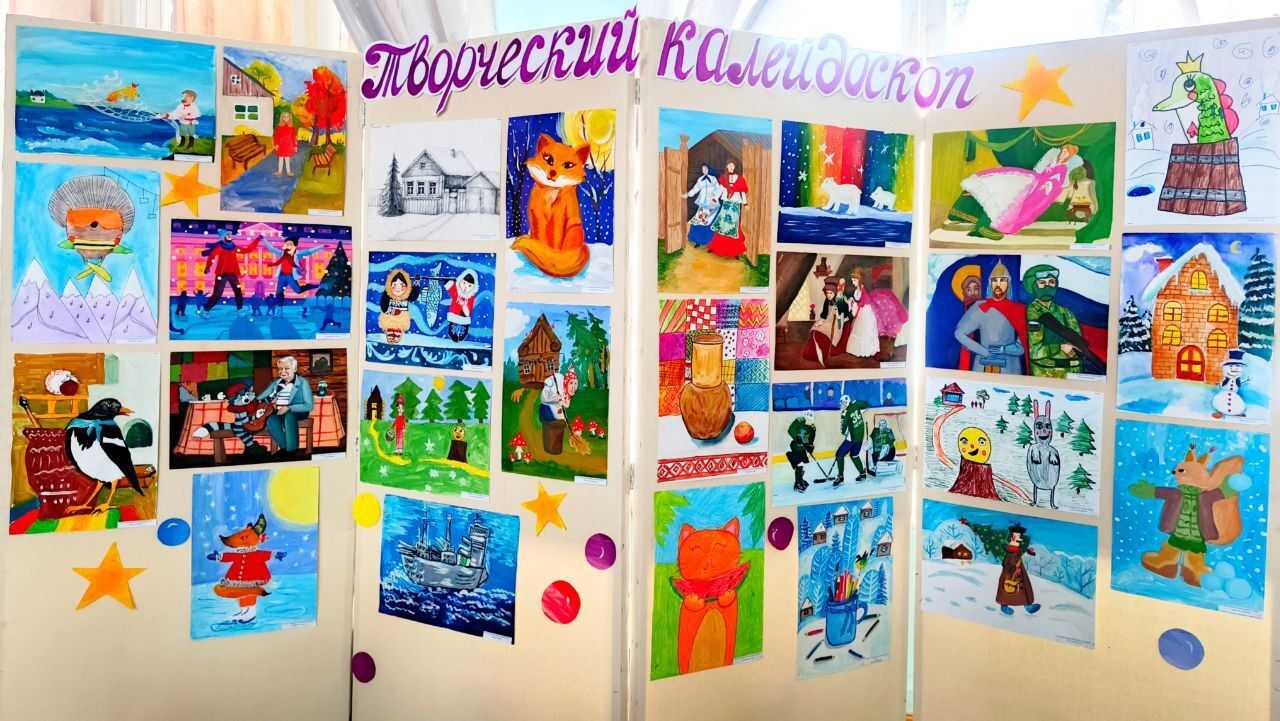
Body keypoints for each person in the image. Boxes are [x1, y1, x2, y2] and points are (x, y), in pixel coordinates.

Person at [948, 144, 1083, 240]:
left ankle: (997, 225)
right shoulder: (1053, 162)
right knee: (1007, 186)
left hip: (1040, 191)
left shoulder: (1062, 168)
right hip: (1035, 182)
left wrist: (1048, 184)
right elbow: (1042, 173)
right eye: (1063, 151)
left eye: (1066, 153)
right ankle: (984, 224)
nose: (1063, 154)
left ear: (1069, 157)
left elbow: (1056, 182)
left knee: (1018, 205)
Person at [953, 260, 1028, 374]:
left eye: (1002, 280)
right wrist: (984, 351)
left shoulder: (1018, 310)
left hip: (1009, 367)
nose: (998, 284)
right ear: (990, 283)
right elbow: (959, 333)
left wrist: (1004, 349)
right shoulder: (980, 307)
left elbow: (1022, 347)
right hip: (982, 365)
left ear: (1008, 283)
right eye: (994, 280)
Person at [1023, 264, 1083, 378]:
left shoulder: (1066, 313)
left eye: (1051, 282)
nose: (1047, 286)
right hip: (1045, 374)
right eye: (1042, 282)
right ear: (1033, 286)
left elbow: (1079, 344)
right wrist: (1060, 347)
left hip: (1073, 372)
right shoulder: (1030, 313)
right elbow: (1034, 351)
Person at [257, 356, 314, 458]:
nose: (283, 371)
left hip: (297, 411)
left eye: (286, 368)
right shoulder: (276, 383)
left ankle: (292, 449)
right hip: (279, 411)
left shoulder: (302, 383)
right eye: (280, 369)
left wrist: (289, 407)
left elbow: (309, 406)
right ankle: (284, 448)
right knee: (271, 419)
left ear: (295, 369)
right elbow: (261, 397)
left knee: (289, 415)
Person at [201, 230, 263, 312]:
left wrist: (257, 240)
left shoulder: (234, 248)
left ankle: (240, 310)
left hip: (233, 274)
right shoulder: (220, 248)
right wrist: (208, 267)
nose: (230, 236)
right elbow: (212, 256)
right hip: (222, 274)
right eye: (227, 235)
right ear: (223, 237)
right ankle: (205, 309)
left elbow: (247, 250)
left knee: (238, 292)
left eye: (230, 234)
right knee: (217, 295)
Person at [802, 276, 848, 367]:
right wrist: (821, 321)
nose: (828, 295)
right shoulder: (827, 300)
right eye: (827, 293)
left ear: (835, 292)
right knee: (815, 329)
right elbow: (824, 314)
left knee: (822, 334)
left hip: (837, 323)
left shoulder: (841, 300)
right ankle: (811, 354)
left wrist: (838, 313)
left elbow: (845, 315)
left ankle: (821, 354)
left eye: (831, 293)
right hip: (827, 321)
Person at [996, 524, 1041, 616]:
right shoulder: (1011, 550)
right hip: (1011, 574)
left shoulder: (1015, 549)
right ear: (1012, 537)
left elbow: (1019, 553)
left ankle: (1028, 606)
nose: (1019, 538)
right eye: (1017, 536)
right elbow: (1006, 563)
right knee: (1009, 589)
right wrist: (1013, 569)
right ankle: (1004, 606)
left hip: (1019, 572)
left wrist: (1028, 551)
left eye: (1019, 536)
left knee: (1022, 589)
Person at [706, 160, 749, 257]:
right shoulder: (724, 178)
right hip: (726, 204)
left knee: (733, 225)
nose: (731, 167)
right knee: (722, 224)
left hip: (735, 204)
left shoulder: (740, 179)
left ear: (735, 167)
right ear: (726, 167)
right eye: (729, 166)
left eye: (733, 166)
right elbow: (720, 189)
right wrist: (715, 198)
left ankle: (735, 251)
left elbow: (742, 192)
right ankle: (716, 247)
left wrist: (745, 203)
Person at [265, 237, 321, 308]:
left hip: (290, 276)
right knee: (279, 292)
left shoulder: (297, 254)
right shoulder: (282, 253)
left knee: (298, 290)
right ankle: (279, 309)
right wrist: (263, 239)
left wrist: (321, 247)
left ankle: (314, 286)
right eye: (287, 243)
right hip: (282, 275)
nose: (288, 245)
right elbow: (272, 249)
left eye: (290, 243)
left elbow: (309, 251)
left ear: (294, 246)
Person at [838, 268, 881, 359]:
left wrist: (853, 302)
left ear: (859, 280)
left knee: (865, 330)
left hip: (865, 311)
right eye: (852, 280)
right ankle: (858, 350)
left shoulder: (862, 289)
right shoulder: (857, 290)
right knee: (859, 329)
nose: (853, 282)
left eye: (854, 280)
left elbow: (862, 303)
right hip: (861, 310)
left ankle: (866, 350)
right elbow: (858, 301)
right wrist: (852, 301)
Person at [834, 394, 869, 486]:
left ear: (847, 402)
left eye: (843, 403)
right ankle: (863, 475)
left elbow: (843, 431)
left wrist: (847, 428)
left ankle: (840, 478)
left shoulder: (845, 413)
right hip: (860, 437)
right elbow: (866, 404)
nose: (842, 405)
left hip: (851, 439)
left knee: (839, 454)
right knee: (854, 455)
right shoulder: (855, 404)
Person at [684, 164, 720, 247]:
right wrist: (687, 195)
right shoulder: (700, 179)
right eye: (702, 169)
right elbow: (695, 189)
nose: (703, 170)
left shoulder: (713, 179)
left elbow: (718, 189)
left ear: (708, 169)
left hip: (712, 203)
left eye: (705, 168)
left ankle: (709, 241)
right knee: (699, 220)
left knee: (709, 221)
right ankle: (697, 241)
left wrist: (713, 195)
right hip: (702, 203)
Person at [444, 269, 480, 342]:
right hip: (454, 314)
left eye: (469, 286)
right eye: (464, 283)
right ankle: (453, 335)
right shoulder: (456, 291)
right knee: (453, 327)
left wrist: (465, 309)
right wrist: (447, 281)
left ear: (473, 287)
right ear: (460, 281)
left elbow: (469, 308)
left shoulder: (471, 297)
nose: (466, 287)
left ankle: (461, 336)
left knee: (463, 329)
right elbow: (450, 287)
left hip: (464, 316)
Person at [273, 110, 298, 177]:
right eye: (284, 116)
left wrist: (295, 146)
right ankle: (279, 171)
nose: (286, 118)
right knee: (281, 158)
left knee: (287, 159)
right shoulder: (279, 127)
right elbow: (276, 136)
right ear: (282, 118)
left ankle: (288, 172)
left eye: (287, 116)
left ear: (290, 118)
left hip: (288, 145)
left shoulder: (291, 127)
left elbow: (294, 137)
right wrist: (276, 144)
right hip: (281, 145)